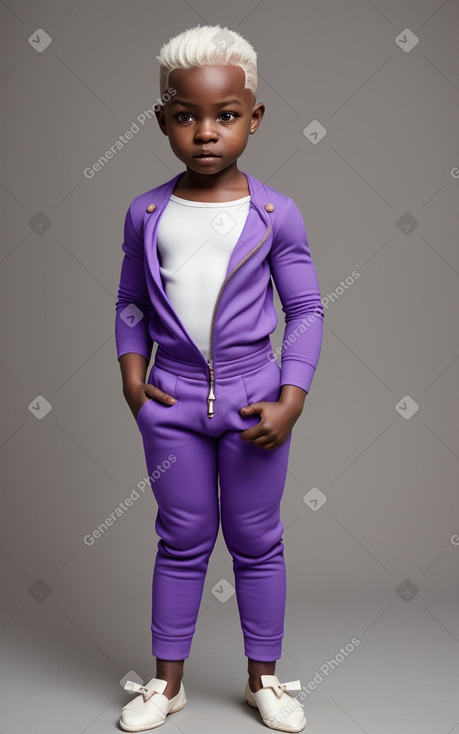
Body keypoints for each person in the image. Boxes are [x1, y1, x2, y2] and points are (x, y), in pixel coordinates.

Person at [115, 23, 324, 733]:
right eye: (186, 115)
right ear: (163, 120)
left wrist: (290, 397)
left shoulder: (275, 213)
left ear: (253, 118)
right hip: (170, 403)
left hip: (253, 401)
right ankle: (165, 684)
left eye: (225, 116)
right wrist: (133, 379)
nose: (206, 132)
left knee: (256, 539)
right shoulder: (146, 213)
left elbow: (304, 309)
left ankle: (261, 681)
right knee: (180, 539)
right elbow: (130, 303)